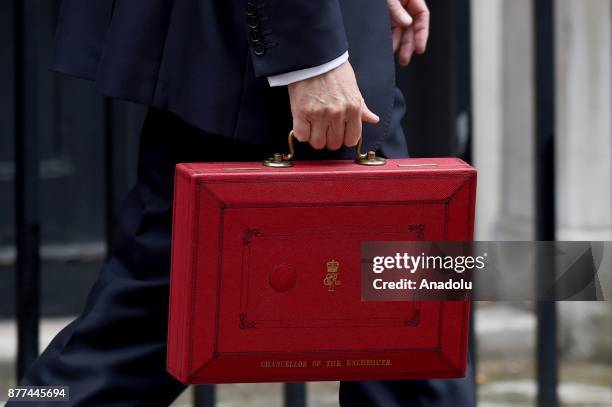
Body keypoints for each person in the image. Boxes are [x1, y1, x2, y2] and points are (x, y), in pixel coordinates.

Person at [10, 0, 475, 405]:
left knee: (408, 339)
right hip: (277, 57)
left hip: (271, 44)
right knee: (411, 336)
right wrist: (311, 56)